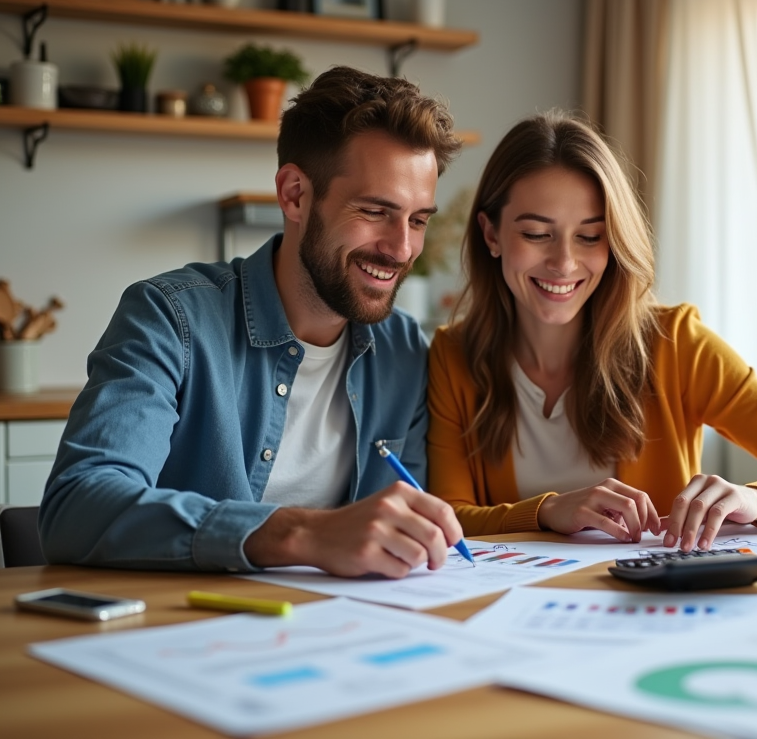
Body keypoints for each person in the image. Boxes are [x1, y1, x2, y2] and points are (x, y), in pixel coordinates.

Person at [40, 66, 467, 578]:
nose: (402, 248)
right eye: (376, 211)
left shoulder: (403, 350)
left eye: (418, 220)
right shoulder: (170, 318)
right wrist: (303, 534)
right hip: (185, 630)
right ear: (294, 195)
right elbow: (77, 507)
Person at [427, 112, 757, 551]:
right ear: (491, 234)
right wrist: (548, 512)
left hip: (652, 608)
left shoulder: (675, 344)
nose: (564, 263)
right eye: (536, 234)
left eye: (590, 237)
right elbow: (448, 516)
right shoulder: (453, 356)